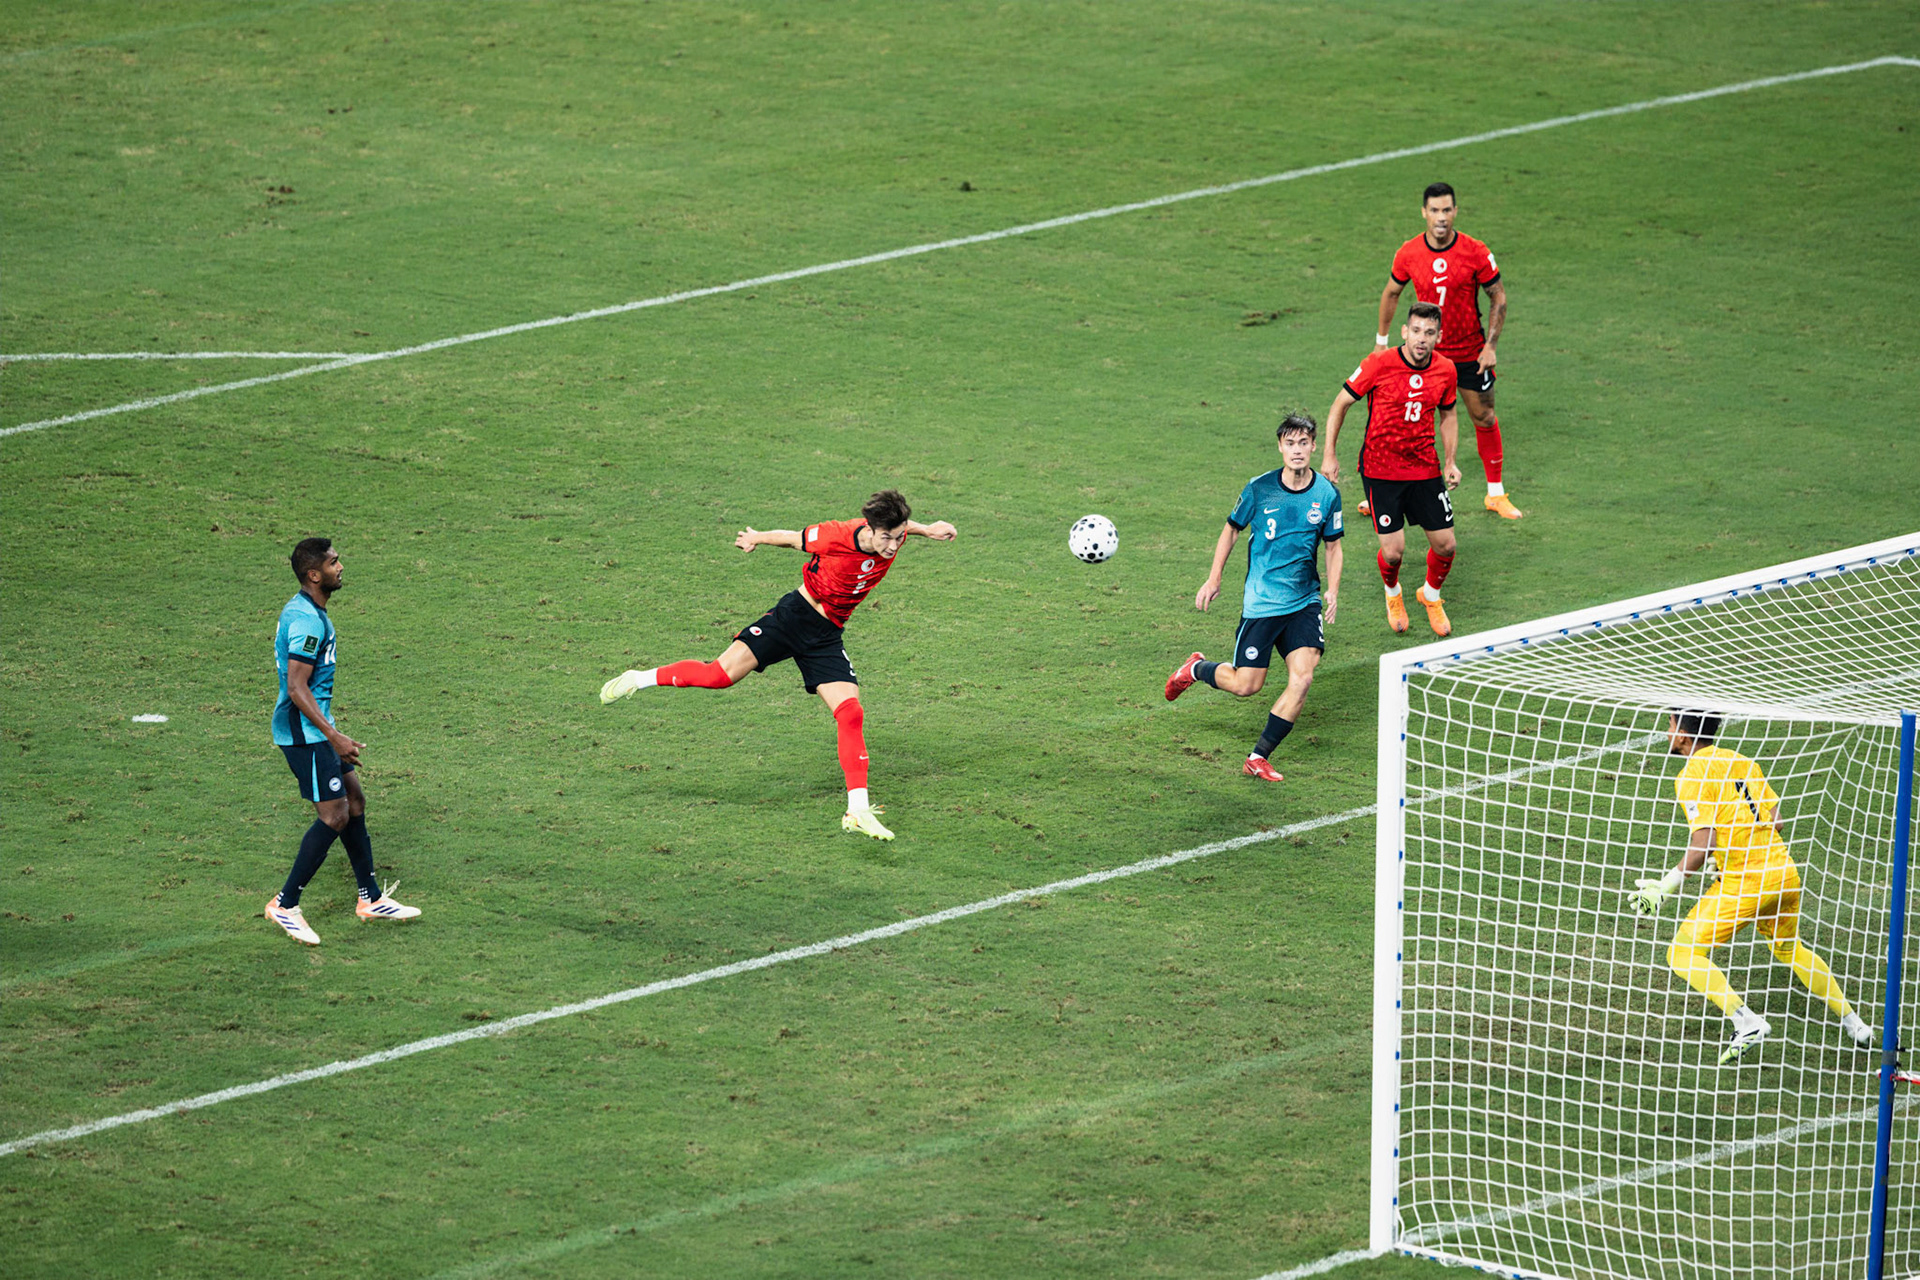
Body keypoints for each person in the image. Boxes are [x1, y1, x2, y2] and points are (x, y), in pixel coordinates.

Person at [599, 489, 957, 841]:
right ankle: (638, 678)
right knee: (717, 676)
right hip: (793, 618)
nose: (893, 546)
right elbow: (791, 538)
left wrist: (929, 529)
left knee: (850, 713)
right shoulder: (836, 535)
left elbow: (905, 527)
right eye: (886, 538)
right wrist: (756, 537)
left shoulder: (896, 532)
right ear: (868, 528)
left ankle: (857, 810)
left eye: (898, 537)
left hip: (827, 634)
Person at [1627, 711, 1874, 1064]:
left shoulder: (1691, 773)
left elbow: (1704, 839)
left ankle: (1746, 1021)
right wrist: (1724, 855)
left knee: (1681, 953)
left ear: (1682, 735)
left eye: (1669, 727)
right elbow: (1776, 821)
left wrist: (1665, 887)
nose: (1667, 734)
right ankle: (1855, 1023)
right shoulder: (1743, 761)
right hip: (1784, 874)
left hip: (1747, 882)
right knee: (1790, 949)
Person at [1164, 412, 1343, 782]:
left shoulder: (1326, 494)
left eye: (1303, 443)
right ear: (1280, 447)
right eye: (1289, 443)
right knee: (1247, 685)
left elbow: (1333, 547)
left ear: (1313, 446)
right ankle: (1196, 668)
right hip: (1262, 603)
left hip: (1303, 602)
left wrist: (1332, 590)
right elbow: (1231, 530)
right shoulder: (1260, 489)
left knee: (1303, 679)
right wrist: (1214, 579)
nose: (1297, 450)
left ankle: (1258, 756)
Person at [265, 539, 419, 946]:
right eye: (333, 562)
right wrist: (332, 735)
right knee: (334, 815)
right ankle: (285, 904)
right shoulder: (307, 622)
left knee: (354, 804)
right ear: (314, 574)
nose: (341, 567)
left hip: (320, 729)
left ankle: (370, 899)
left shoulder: (308, 612)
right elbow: (297, 688)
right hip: (305, 734)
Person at [1373, 181, 1521, 519]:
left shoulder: (1475, 251)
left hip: (1469, 352)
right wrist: (1382, 341)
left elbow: (1497, 295)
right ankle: (1385, 490)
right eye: (1435, 210)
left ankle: (1495, 494)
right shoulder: (1409, 252)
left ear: (1455, 211)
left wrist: (1490, 346)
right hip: (1424, 353)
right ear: (1424, 212)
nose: (1441, 217)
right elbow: (1392, 293)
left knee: (1483, 416)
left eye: (1447, 210)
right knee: (1405, 419)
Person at [1321, 301, 1460, 637]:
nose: (1421, 339)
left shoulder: (1446, 370)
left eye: (1429, 333)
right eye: (1415, 331)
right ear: (1404, 332)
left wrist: (1450, 460)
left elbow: (1449, 415)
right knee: (1393, 551)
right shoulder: (1378, 364)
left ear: (1438, 337)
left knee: (1446, 545)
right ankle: (1393, 593)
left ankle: (1430, 595)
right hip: (1381, 470)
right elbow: (1341, 403)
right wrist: (1329, 454)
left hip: (1424, 468)